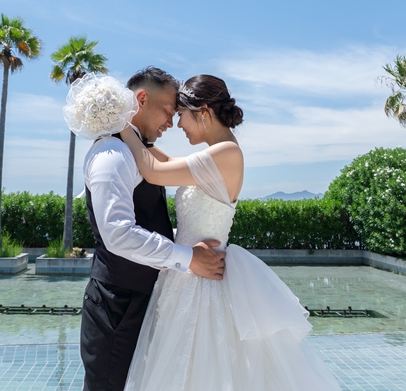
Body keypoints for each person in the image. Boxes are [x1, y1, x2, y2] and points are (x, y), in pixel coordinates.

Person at [119, 74, 341, 391]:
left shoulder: (227, 154)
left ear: (204, 112)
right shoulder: (216, 153)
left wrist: (121, 123)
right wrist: (138, 134)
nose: (179, 124)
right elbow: (164, 160)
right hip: (185, 275)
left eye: (182, 114)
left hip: (202, 283)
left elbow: (154, 172)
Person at [80, 67, 226, 391]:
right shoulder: (112, 155)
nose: (171, 123)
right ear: (142, 98)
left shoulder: (135, 152)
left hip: (140, 300)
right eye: (169, 111)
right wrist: (189, 259)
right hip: (116, 307)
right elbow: (118, 233)